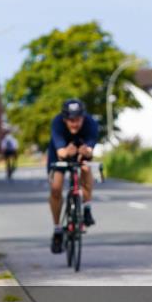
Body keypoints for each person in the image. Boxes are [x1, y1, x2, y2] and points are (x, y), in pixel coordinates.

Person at [48, 98, 98, 253]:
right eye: (70, 120)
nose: (74, 124)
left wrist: (86, 152)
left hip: (81, 151)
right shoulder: (57, 124)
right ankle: (57, 230)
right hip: (60, 153)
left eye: (77, 120)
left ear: (83, 117)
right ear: (64, 119)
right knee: (56, 187)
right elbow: (61, 152)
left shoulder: (91, 124)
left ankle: (87, 207)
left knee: (85, 168)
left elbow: (90, 150)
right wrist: (66, 152)